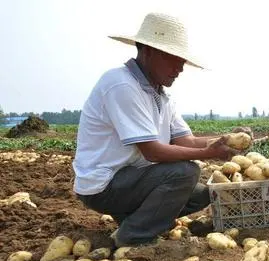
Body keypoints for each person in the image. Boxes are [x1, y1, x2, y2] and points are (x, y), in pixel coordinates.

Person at [72, 12, 252, 248]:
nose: (181, 68)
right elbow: (153, 152)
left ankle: (131, 220)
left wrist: (227, 139)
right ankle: (134, 236)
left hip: (131, 178)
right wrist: (209, 154)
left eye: (182, 60)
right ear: (148, 51)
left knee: (206, 193)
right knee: (185, 172)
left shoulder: (160, 93)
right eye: (174, 58)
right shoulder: (121, 84)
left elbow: (185, 140)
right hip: (104, 186)